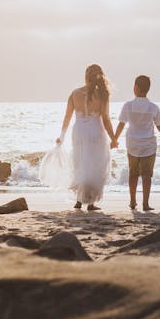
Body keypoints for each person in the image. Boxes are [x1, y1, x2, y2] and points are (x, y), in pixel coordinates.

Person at [55, 64, 117, 211]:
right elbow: (106, 119)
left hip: (79, 131)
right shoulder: (102, 94)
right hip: (95, 130)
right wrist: (113, 138)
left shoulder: (74, 93)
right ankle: (90, 202)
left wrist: (61, 136)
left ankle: (78, 200)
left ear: (85, 77)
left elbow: (67, 117)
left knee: (80, 163)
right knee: (95, 164)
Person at [113, 75, 160, 211]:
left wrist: (114, 139)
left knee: (133, 173)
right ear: (148, 89)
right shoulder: (153, 107)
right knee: (147, 175)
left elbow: (121, 124)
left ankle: (132, 201)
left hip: (132, 144)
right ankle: (145, 204)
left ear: (136, 87)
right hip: (148, 145)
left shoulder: (128, 105)